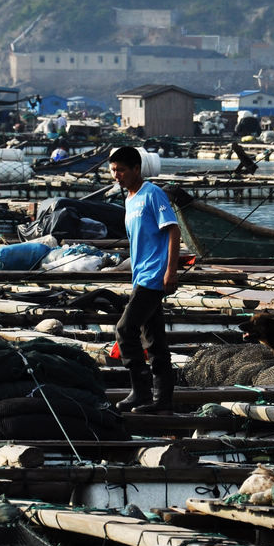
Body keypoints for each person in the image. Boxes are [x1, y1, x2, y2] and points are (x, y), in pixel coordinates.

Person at [109, 146, 181, 414]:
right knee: (155, 341)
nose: (117, 175)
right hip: (140, 276)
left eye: (122, 170)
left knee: (125, 330)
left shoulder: (152, 194)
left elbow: (173, 231)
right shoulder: (130, 199)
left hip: (154, 277)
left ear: (136, 169)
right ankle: (163, 402)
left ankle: (140, 393)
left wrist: (170, 272)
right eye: (114, 170)